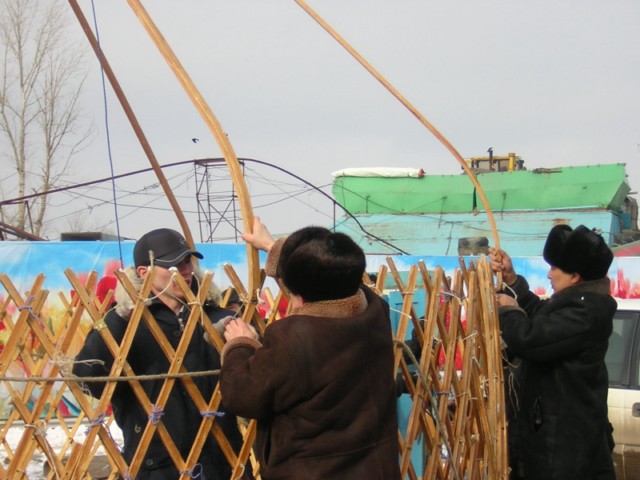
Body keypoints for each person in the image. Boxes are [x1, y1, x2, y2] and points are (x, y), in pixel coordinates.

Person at [219, 218, 401, 480]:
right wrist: (273, 246)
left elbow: (242, 393)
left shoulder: (294, 339)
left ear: (301, 297)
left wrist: (241, 344)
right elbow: (330, 278)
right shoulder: (374, 312)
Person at [73, 228, 246, 479]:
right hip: (154, 464)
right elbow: (88, 380)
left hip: (221, 462)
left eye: (187, 262)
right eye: (173, 264)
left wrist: (244, 343)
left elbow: (258, 381)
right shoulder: (121, 323)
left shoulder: (220, 320)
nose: (184, 270)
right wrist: (120, 322)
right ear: (144, 272)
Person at [489, 224, 616, 480]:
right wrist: (512, 280)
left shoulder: (586, 313)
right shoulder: (577, 304)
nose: (549, 274)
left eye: (555, 268)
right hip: (559, 448)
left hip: (565, 452)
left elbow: (531, 339)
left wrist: (510, 311)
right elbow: (542, 317)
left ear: (575, 277)